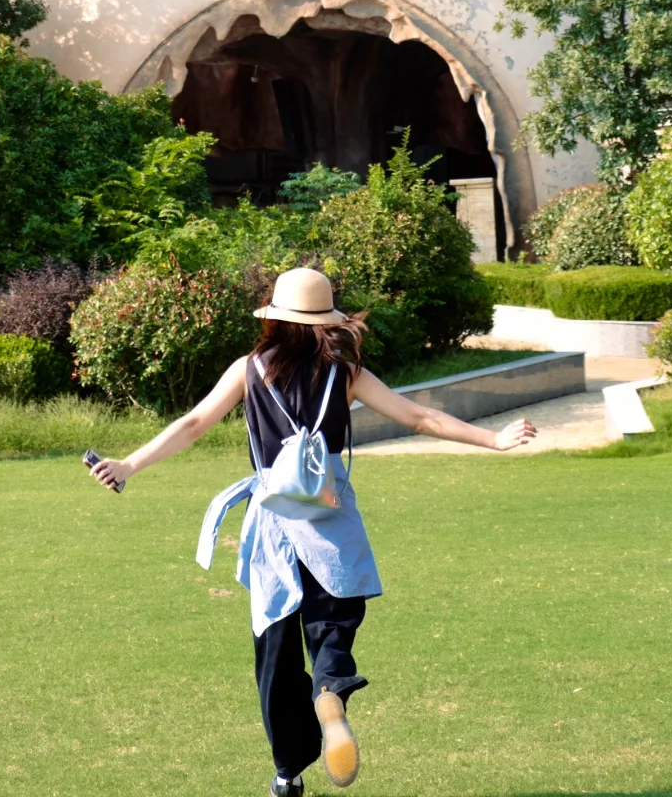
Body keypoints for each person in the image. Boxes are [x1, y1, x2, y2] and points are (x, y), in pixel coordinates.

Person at [87, 267, 536, 795]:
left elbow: (192, 424)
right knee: (334, 621)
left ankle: (287, 772)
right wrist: (493, 439)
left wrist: (129, 464)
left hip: (274, 524)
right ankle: (330, 692)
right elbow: (418, 418)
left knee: (275, 648)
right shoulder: (344, 373)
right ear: (327, 322)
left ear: (274, 319)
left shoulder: (250, 369)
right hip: (329, 518)